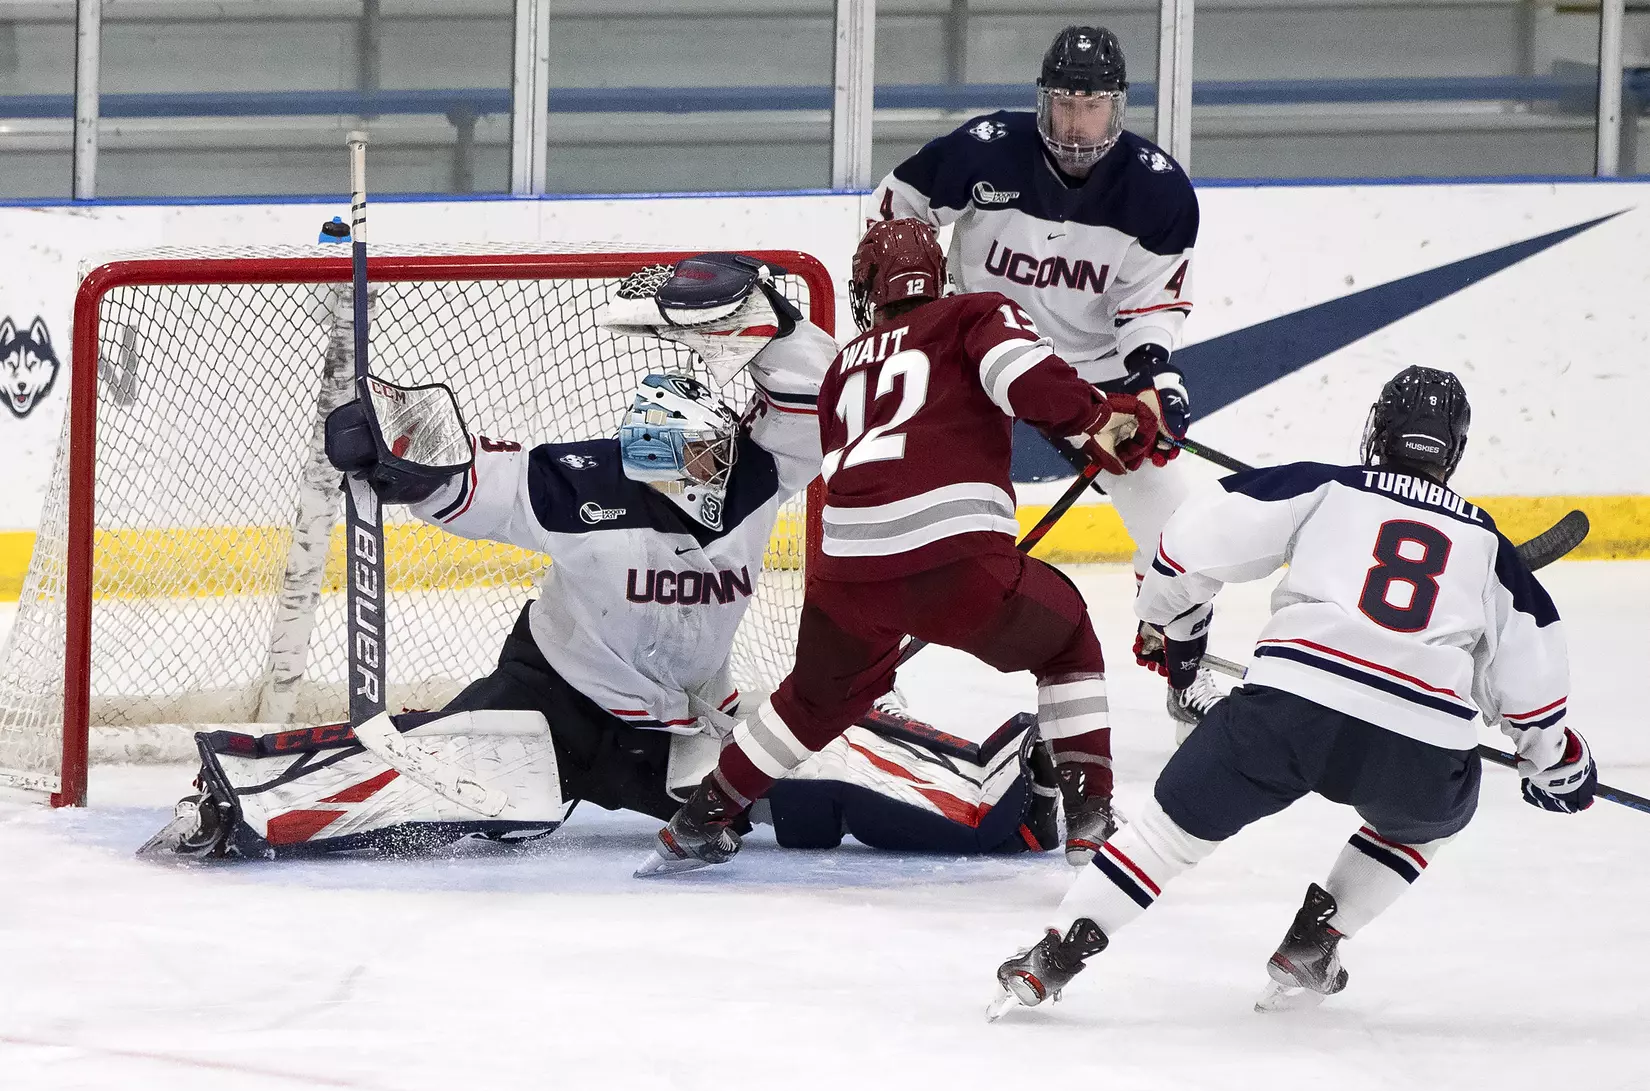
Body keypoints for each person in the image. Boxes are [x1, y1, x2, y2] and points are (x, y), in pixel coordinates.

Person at [137, 253, 1064, 861]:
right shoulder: (582, 485)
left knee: (823, 768)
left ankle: (1005, 790)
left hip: (686, 727)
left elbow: (819, 388)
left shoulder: (763, 475)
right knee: (458, 770)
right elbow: (467, 482)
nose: (687, 488)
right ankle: (237, 794)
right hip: (554, 701)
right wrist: (392, 458)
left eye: (701, 467)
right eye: (665, 469)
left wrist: (770, 316)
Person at [989, 366, 1599, 1018]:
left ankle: (1057, 952)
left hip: (1285, 712)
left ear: (1379, 431)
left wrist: (1166, 621)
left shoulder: (1324, 485)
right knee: (1427, 823)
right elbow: (1532, 683)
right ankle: (1318, 939)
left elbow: (1189, 544)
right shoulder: (1489, 545)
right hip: (1418, 746)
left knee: (1166, 836)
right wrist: (1555, 761)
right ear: (1454, 448)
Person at [639, 219, 1161, 877]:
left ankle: (699, 820)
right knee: (1066, 641)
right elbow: (1024, 379)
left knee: (813, 702)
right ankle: (1090, 818)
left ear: (868, 289)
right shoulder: (974, 313)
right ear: (935, 278)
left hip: (845, 577)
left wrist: (1088, 431)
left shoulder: (841, 368)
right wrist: (1096, 419)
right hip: (955, 561)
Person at [870, 25, 1222, 736]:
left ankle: (1185, 668)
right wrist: (917, 305)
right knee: (896, 504)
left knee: (1179, 524)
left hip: (1088, 378)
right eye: (1064, 104)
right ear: (1042, 101)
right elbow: (896, 206)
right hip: (973, 354)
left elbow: (1150, 306)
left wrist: (1154, 375)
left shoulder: (1158, 193)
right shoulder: (985, 150)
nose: (1075, 123)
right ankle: (870, 676)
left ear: (1118, 107)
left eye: (1092, 106)